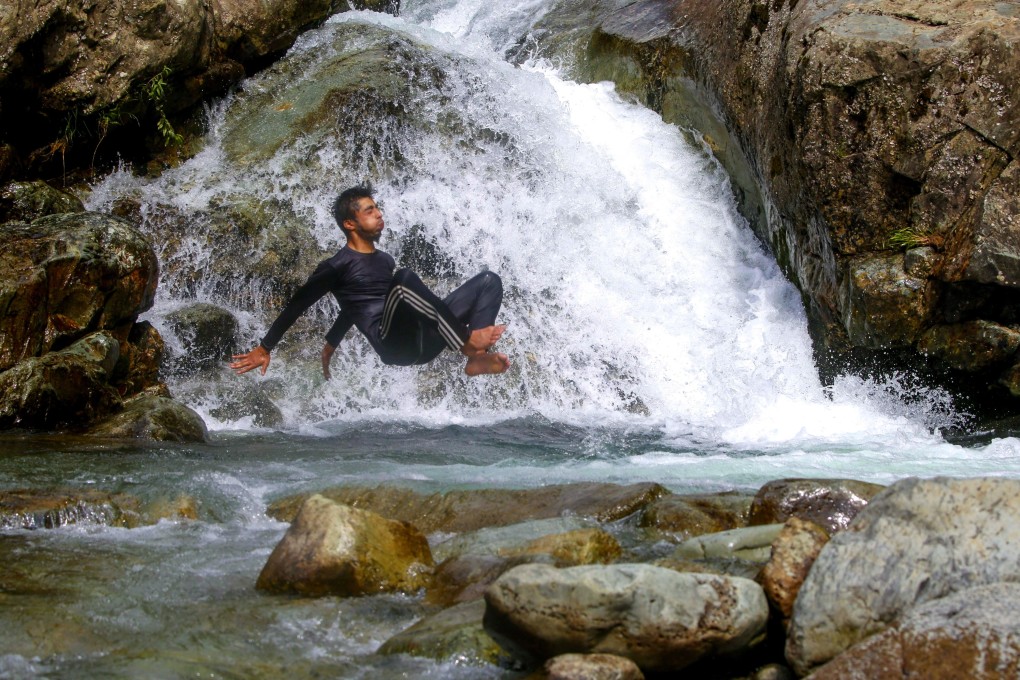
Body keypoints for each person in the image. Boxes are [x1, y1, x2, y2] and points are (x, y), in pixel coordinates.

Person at [230, 185, 510, 379]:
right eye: (368, 211)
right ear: (349, 224)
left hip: (423, 338)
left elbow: (354, 306)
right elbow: (297, 305)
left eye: (377, 208)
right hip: (392, 343)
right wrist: (265, 347)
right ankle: (467, 343)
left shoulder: (385, 260)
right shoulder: (335, 266)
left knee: (489, 280)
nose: (378, 214)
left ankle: (477, 358)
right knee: (404, 280)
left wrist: (331, 343)